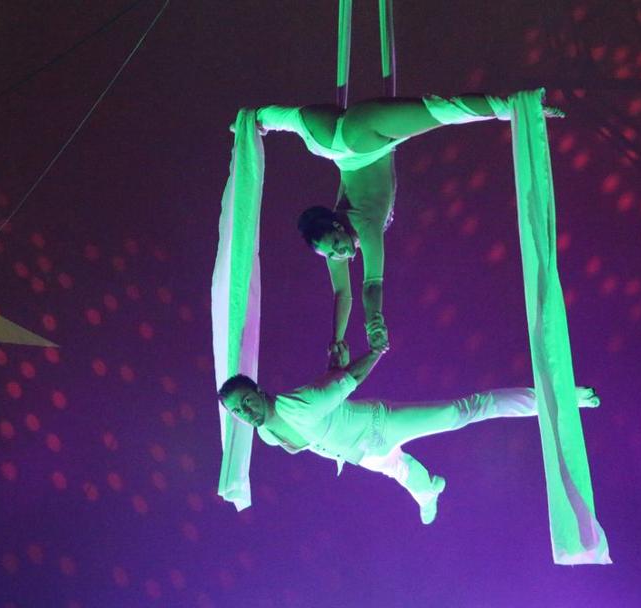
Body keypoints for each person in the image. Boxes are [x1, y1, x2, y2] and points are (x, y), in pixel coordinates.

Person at [253, 94, 564, 367]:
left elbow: (370, 286)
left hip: (361, 139)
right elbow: (341, 294)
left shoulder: (365, 225)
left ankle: (523, 105)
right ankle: (251, 120)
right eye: (331, 253)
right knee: (289, 118)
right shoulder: (335, 240)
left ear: (337, 224)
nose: (340, 254)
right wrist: (337, 338)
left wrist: (375, 323)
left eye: (336, 244)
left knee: (442, 112)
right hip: (323, 141)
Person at [216, 332, 600, 525]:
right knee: (405, 474)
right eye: (236, 411)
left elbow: (348, 381)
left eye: (246, 401)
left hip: (382, 422)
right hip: (362, 454)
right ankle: (428, 493)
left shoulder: (294, 404)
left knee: (464, 410)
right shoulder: (265, 434)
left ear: (258, 390)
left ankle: (566, 398)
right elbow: (326, 410)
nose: (244, 412)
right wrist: (334, 370)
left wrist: (376, 351)